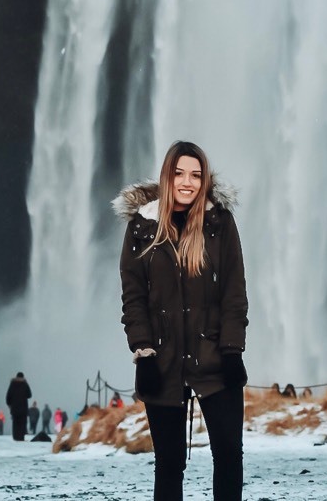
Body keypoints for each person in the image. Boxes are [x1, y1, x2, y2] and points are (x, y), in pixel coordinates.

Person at [116, 140, 249, 501]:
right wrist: (143, 352)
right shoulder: (142, 227)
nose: (187, 182)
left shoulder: (220, 224)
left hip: (215, 357)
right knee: (170, 462)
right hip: (162, 358)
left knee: (228, 455)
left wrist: (233, 350)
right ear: (166, 176)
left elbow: (234, 292)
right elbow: (134, 296)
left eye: (196, 174)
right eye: (179, 173)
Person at [5, 371, 32, 441]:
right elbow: (29, 395)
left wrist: (9, 404)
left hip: (14, 408)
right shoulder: (24, 384)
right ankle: (21, 437)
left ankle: (15, 437)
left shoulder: (12, 384)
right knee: (22, 423)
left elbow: (8, 396)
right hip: (23, 408)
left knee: (15, 423)